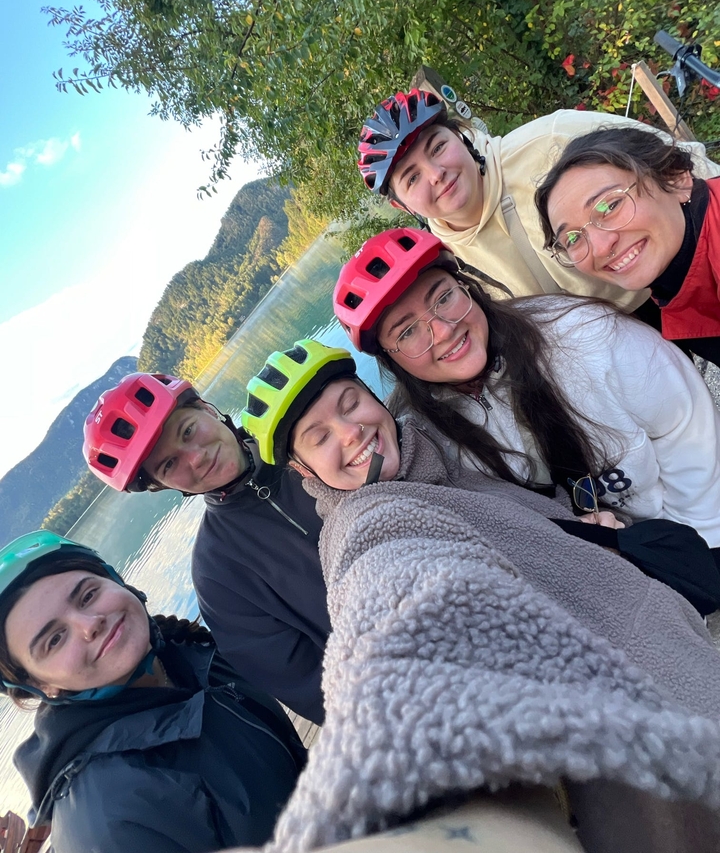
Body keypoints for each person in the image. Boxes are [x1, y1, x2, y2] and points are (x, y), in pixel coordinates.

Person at [241, 345, 720, 853]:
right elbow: (389, 586)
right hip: (657, 721)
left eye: (349, 402)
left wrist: (577, 527)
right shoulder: (367, 520)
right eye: (319, 438)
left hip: (670, 644)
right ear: (303, 470)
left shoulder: (430, 454)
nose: (350, 431)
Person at [333, 227, 720, 547]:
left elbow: (686, 427)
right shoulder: (424, 441)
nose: (444, 330)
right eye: (408, 331)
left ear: (467, 287)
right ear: (390, 358)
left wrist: (698, 547)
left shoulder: (582, 333)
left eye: (444, 297)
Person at [0, 531, 306, 853]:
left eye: (87, 596)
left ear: (114, 579)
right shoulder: (110, 819)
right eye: (55, 639)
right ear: (40, 685)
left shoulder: (188, 655)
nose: (89, 624)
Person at [83, 372, 328, 724]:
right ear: (159, 486)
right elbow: (314, 690)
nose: (194, 458)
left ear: (206, 409)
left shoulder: (313, 438)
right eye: (169, 465)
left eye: (186, 431)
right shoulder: (218, 574)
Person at [357, 88, 720, 307]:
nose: (436, 174)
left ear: (463, 138)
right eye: (412, 177)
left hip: (683, 277)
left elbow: (677, 158)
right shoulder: (444, 264)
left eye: (438, 147)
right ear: (400, 204)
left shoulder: (550, 140)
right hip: (611, 353)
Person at [534, 125, 720, 365]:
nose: (600, 248)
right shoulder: (673, 283)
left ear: (674, 178)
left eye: (610, 206)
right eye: (573, 238)